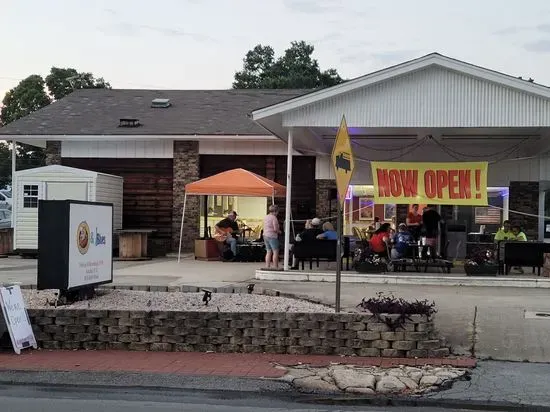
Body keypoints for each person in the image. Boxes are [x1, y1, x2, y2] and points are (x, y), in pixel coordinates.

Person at [263, 205, 281, 269]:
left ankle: (267, 266)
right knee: (275, 251)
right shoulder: (274, 218)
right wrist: (279, 231)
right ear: (275, 211)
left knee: (268, 251)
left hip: (265, 235)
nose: (277, 213)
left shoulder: (266, 217)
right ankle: (275, 266)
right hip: (272, 236)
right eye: (277, 212)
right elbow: (275, 229)